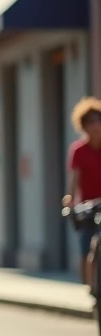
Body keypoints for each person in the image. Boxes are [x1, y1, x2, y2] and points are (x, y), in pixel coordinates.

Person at [64, 97, 101, 281]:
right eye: (90, 122)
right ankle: (91, 288)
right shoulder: (78, 150)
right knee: (86, 245)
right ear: (83, 126)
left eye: (98, 120)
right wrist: (70, 199)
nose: (95, 126)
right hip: (88, 206)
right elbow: (74, 178)